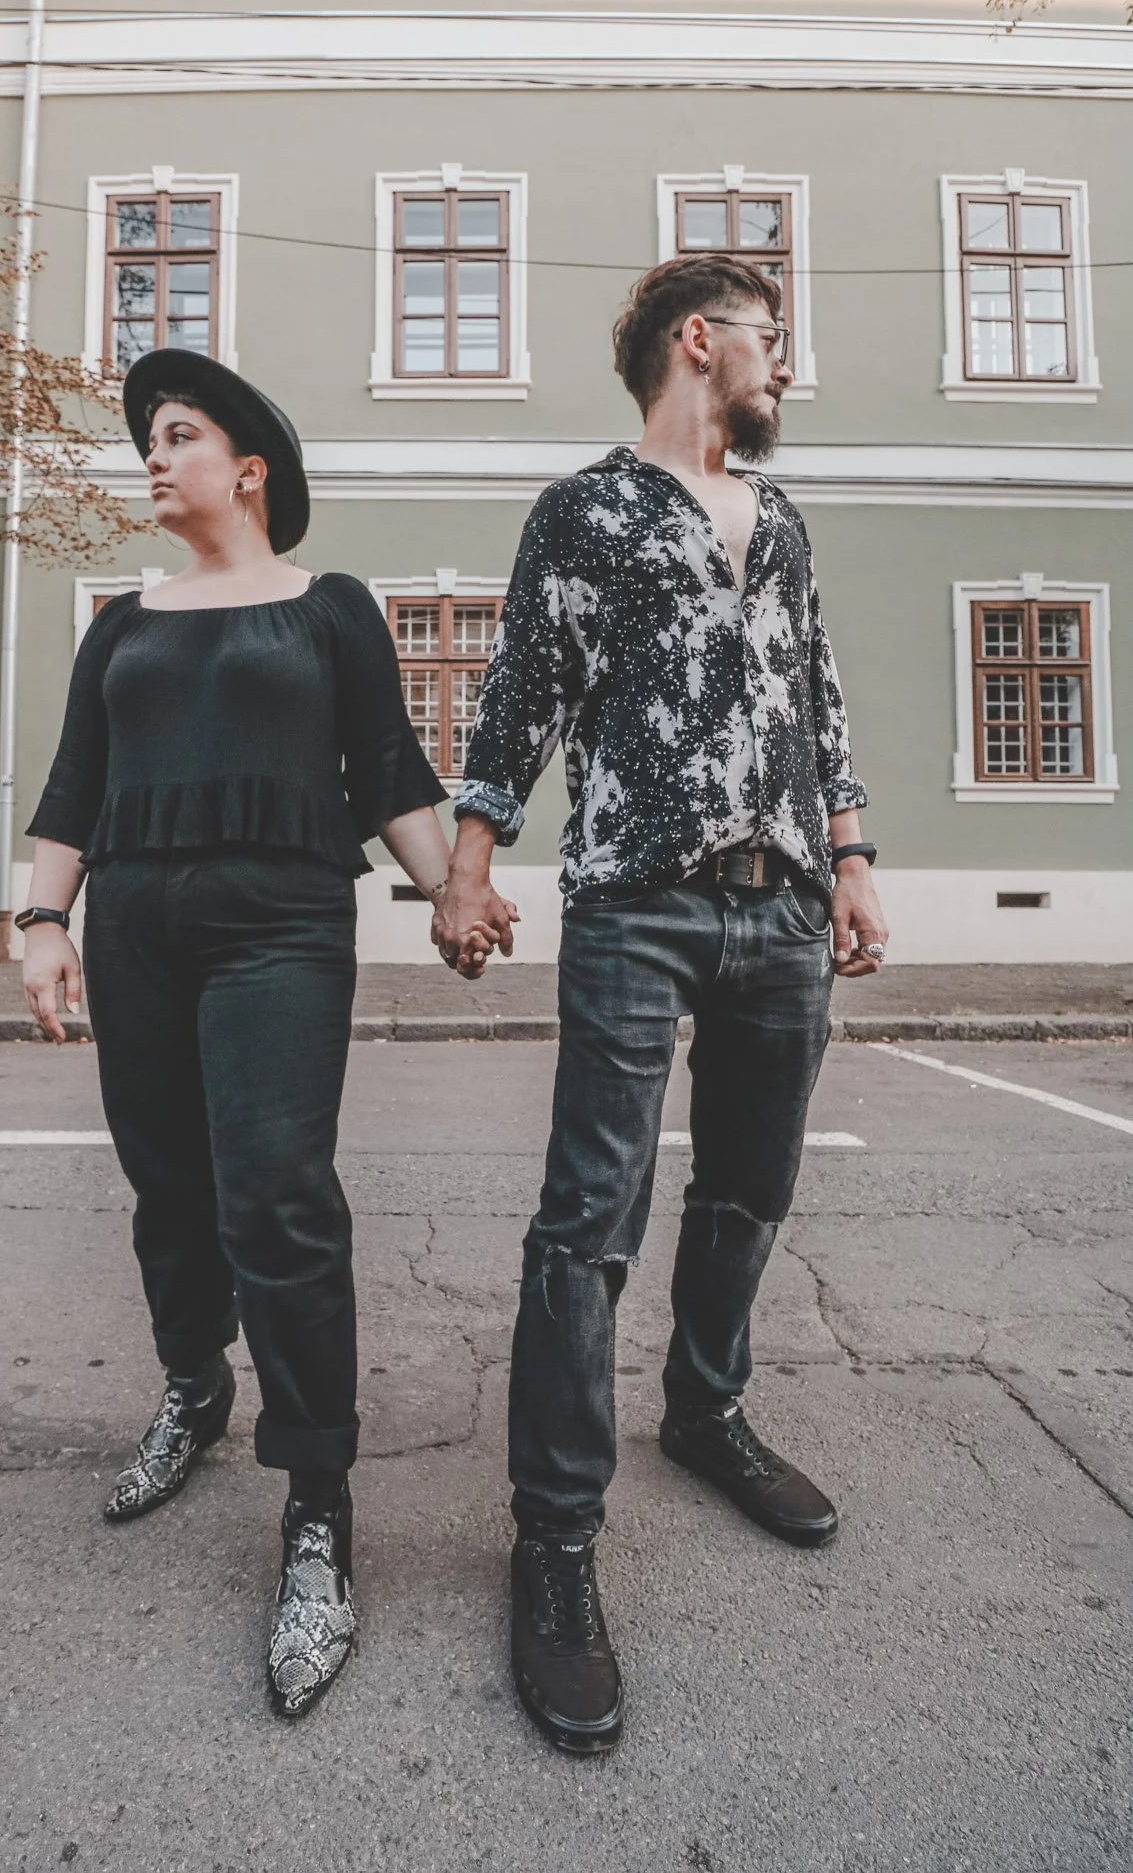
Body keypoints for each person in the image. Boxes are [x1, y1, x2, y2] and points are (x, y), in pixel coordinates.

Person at [432, 253, 889, 1753]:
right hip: (639, 898)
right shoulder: (589, 511)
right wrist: (468, 866)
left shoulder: (788, 520)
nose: (785, 369)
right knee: (591, 1217)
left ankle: (704, 1412)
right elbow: (523, 691)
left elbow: (818, 697)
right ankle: (555, 1543)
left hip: (784, 908)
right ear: (701, 342)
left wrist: (855, 863)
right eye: (773, 341)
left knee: (751, 1186)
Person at [19, 348, 484, 1719]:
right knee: (168, 1183)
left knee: (278, 1192)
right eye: (148, 441)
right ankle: (190, 1388)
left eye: (176, 436)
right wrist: (42, 925)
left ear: (248, 468)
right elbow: (72, 784)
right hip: (139, 927)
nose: (152, 459)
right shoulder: (123, 618)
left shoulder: (329, 608)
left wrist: (451, 886)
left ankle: (320, 1510)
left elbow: (389, 769)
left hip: (283, 923)